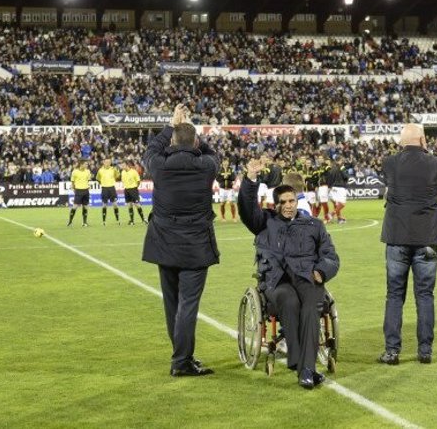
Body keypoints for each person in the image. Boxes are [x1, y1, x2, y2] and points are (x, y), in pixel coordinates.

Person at [238, 159, 339, 389]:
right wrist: (251, 180)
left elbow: (331, 256)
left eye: (291, 201)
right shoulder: (265, 222)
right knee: (290, 302)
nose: (288, 205)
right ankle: (304, 367)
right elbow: (246, 209)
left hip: (308, 278)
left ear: (298, 200)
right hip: (277, 280)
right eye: (282, 202)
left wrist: (322, 271)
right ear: (275, 205)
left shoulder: (314, 225)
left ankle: (305, 369)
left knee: (311, 308)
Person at [142, 104, 220, 378]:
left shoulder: (160, 166)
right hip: (196, 245)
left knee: (172, 304)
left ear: (172, 141)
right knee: (188, 305)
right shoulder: (206, 166)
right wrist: (192, 134)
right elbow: (213, 153)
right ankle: (181, 361)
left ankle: (182, 358)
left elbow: (150, 150)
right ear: (196, 141)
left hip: (164, 243)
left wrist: (172, 125)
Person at [378, 124, 437, 366]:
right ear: (423, 139)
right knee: (425, 295)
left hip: (397, 236)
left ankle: (392, 351)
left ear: (401, 141)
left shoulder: (389, 163)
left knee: (394, 295)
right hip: (428, 237)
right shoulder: (436, 163)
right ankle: (425, 350)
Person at [121, 160, 147, 225]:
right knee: (129, 205)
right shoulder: (123, 172)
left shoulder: (133, 172)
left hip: (133, 189)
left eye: (123, 165)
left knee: (137, 205)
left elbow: (138, 181)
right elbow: (123, 180)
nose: (122, 166)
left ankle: (143, 219)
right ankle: (132, 221)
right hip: (126, 190)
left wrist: (135, 188)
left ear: (127, 165)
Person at [67, 159, 92, 227]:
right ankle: (70, 222)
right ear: (81, 164)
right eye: (86, 164)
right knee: (75, 207)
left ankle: (84, 222)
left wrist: (88, 187)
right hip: (78, 191)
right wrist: (73, 189)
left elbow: (88, 181)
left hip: (86, 191)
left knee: (85, 207)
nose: (87, 165)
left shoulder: (88, 171)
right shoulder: (75, 172)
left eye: (87, 164)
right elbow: (72, 182)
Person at [97, 158, 121, 226]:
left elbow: (117, 176)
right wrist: (104, 184)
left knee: (115, 205)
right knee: (104, 205)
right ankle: (104, 221)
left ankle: (117, 220)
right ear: (103, 162)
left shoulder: (113, 169)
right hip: (104, 188)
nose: (108, 163)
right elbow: (98, 179)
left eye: (109, 162)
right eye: (106, 162)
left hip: (112, 188)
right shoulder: (100, 170)